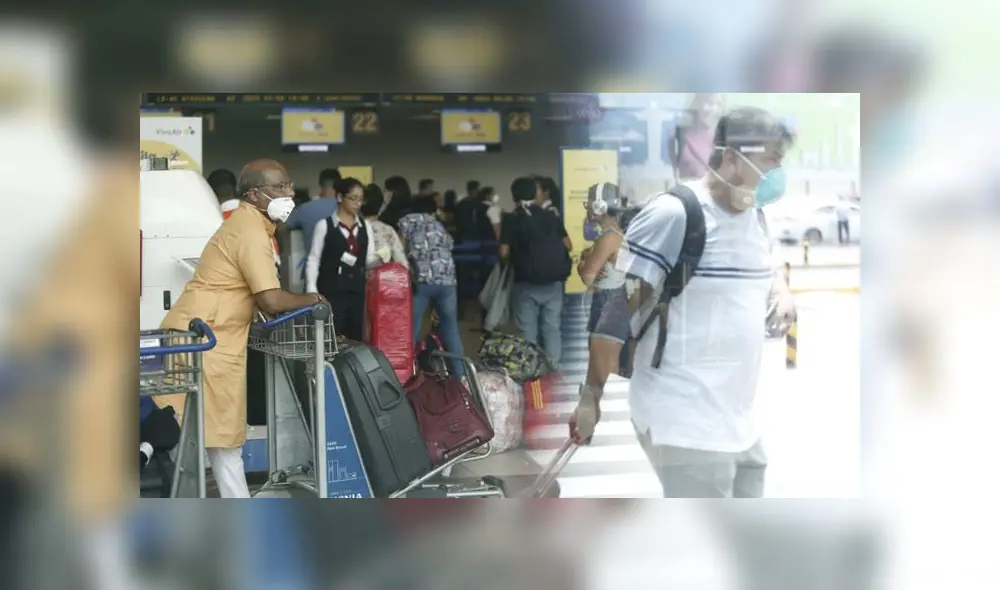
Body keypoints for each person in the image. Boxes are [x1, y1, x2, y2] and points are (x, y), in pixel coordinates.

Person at [572, 107, 797, 498]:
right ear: (731, 157)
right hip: (682, 418)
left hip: (738, 420)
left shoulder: (756, 218)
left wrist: (781, 292)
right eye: (771, 161)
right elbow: (616, 312)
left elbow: (767, 268)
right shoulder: (675, 214)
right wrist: (590, 398)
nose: (777, 174)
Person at [158, 159, 328, 498]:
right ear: (253, 194)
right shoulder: (250, 232)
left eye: (289, 184)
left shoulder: (249, 226)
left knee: (204, 435)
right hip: (206, 341)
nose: (289, 193)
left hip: (204, 334)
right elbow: (270, 300)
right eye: (279, 187)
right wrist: (313, 299)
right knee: (212, 437)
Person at [499, 176, 572, 364]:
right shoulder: (550, 216)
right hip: (554, 281)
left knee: (527, 328)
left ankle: (531, 368)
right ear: (535, 193)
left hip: (525, 281)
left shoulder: (513, 219)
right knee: (552, 326)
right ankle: (553, 365)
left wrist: (516, 259)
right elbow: (568, 245)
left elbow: (503, 251)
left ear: (514, 196)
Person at [573, 183, 630, 419]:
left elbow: (588, 277)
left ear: (599, 206)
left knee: (602, 368)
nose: (587, 208)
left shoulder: (608, 237)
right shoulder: (618, 235)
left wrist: (581, 263)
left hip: (608, 304)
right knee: (607, 365)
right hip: (616, 302)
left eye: (588, 203)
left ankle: (605, 419)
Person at [398, 195, 465, 376]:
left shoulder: (406, 221)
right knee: (451, 328)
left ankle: (406, 374)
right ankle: (461, 376)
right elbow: (449, 246)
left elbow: (400, 250)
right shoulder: (439, 225)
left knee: (412, 328)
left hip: (423, 281)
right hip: (447, 282)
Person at [306, 177, 369, 341]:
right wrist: (312, 289)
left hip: (357, 289)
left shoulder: (365, 226)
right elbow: (314, 258)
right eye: (353, 198)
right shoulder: (325, 225)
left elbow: (368, 258)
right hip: (331, 289)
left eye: (361, 199)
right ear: (340, 198)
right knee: (330, 335)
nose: (358, 203)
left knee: (355, 336)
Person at [285, 168, 342, 259]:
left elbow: (282, 227)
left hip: (313, 268)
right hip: (342, 269)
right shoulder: (347, 209)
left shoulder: (305, 209)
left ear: (321, 186)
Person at [667, 93, 724, 180]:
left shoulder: (722, 140)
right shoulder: (679, 138)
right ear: (697, 104)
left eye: (718, 104)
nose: (714, 109)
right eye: (709, 103)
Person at [360, 183, 408, 270]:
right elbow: (401, 262)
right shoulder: (388, 230)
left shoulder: (353, 228)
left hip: (355, 279)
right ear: (381, 205)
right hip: (382, 280)